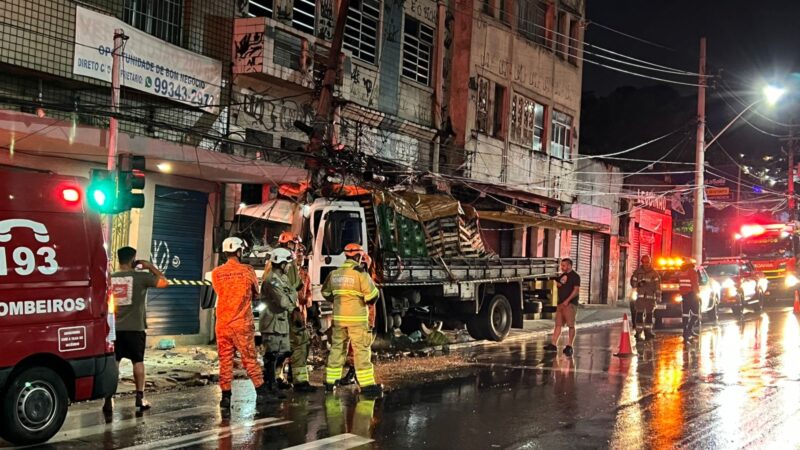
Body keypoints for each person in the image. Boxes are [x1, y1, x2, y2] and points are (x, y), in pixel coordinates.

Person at [103, 247, 168, 413]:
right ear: (133, 260)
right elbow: (164, 282)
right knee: (137, 362)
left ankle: (108, 399)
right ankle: (140, 397)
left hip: (114, 329)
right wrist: (150, 266)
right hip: (135, 328)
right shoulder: (141, 277)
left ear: (119, 260)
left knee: (114, 363)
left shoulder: (110, 278)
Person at [211, 237, 269, 408]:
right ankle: (261, 390)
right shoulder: (247, 270)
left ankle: (226, 396)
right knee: (249, 358)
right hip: (241, 323)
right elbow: (256, 294)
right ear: (239, 251)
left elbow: (219, 291)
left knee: (225, 360)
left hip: (222, 323)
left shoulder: (216, 273)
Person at [322, 243, 382, 397]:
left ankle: (330, 382)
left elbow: (327, 293)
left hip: (339, 320)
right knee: (361, 350)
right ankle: (367, 385)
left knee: (337, 349)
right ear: (358, 256)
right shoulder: (360, 274)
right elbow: (372, 297)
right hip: (357, 320)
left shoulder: (335, 273)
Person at [260, 247, 296, 397]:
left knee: (285, 351)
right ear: (281, 263)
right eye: (287, 263)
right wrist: (292, 296)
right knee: (271, 354)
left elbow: (291, 297)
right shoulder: (272, 280)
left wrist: (291, 296)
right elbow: (283, 302)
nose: (289, 266)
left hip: (281, 322)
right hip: (272, 323)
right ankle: (269, 384)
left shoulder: (284, 279)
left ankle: (274, 379)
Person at [544, 258, 581, 356]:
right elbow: (560, 285)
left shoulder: (575, 276)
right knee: (558, 324)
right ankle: (553, 344)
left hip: (570, 305)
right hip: (560, 304)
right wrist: (558, 282)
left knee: (571, 325)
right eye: (561, 265)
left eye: (564, 265)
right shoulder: (563, 275)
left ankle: (569, 346)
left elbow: (576, 290)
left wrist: (567, 301)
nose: (562, 267)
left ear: (569, 266)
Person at [630, 255, 661, 341]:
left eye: (647, 262)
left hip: (650, 298)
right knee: (639, 314)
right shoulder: (637, 272)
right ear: (642, 262)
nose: (646, 264)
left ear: (650, 262)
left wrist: (658, 296)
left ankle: (648, 332)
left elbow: (657, 286)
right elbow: (633, 283)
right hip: (640, 298)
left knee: (649, 315)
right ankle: (638, 332)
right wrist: (638, 284)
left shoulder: (654, 273)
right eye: (644, 262)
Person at [679, 259, 701, 340]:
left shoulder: (682, 272)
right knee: (696, 313)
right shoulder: (692, 271)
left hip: (684, 296)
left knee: (685, 314)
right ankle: (689, 329)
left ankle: (685, 331)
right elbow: (695, 284)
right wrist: (698, 294)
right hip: (692, 294)